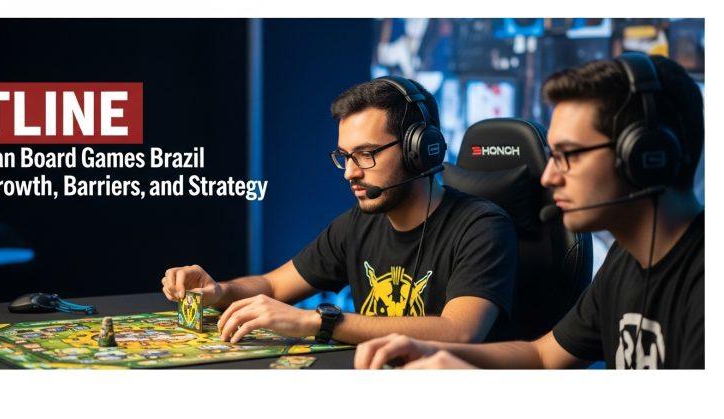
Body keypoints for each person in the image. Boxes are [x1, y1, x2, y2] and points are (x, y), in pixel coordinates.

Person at [354, 53, 704, 369]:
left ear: (646, 157)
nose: (550, 177)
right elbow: (544, 356)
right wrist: (430, 352)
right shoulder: (625, 261)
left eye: (568, 155)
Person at [161, 76, 518, 345]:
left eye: (366, 154)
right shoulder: (358, 224)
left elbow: (459, 332)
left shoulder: (482, 226)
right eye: (345, 157)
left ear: (419, 149)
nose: (350, 172)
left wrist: (319, 322)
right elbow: (273, 284)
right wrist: (218, 291)